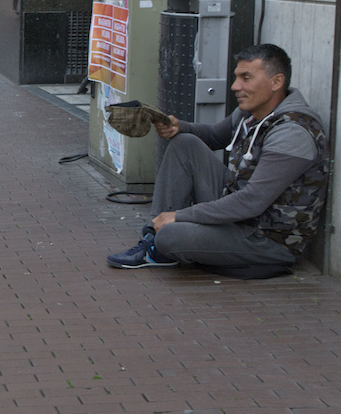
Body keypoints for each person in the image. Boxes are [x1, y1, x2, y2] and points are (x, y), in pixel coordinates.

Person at [107, 44, 329, 279]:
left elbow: (252, 201)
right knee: (185, 144)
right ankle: (154, 242)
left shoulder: (292, 133)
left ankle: (163, 240)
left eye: (246, 78)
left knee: (172, 236)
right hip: (240, 218)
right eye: (236, 77)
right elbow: (214, 136)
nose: (236, 87)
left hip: (268, 240)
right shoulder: (251, 112)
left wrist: (181, 216)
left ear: (276, 82)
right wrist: (177, 126)